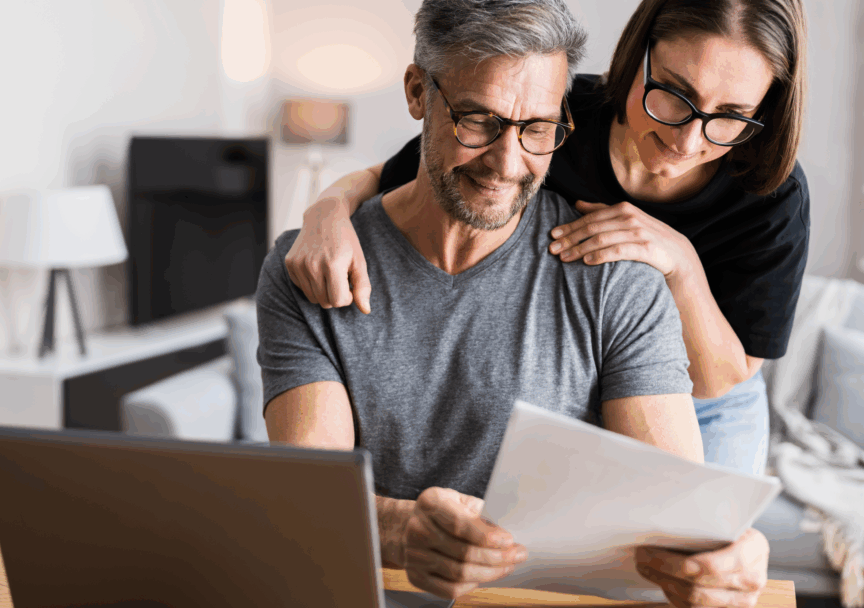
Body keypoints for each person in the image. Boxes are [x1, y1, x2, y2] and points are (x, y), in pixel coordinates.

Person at [289, 0, 810, 604]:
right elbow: (394, 175)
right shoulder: (550, 113)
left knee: (702, 573)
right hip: (608, 363)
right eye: (673, 94)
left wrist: (680, 264)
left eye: (731, 116)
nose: (687, 138)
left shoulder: (772, 190)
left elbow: (724, 376)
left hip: (712, 388)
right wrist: (324, 210)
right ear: (634, 57)